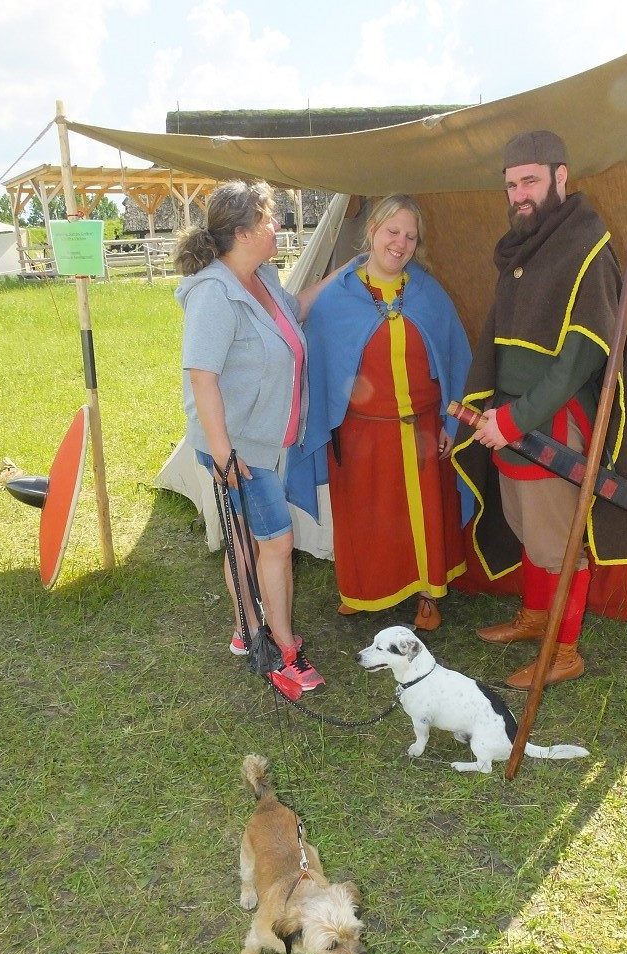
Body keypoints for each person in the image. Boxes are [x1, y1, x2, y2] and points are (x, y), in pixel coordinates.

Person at [452, 130, 627, 688]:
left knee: (558, 541)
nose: (519, 193)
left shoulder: (586, 246)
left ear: (561, 178)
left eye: (531, 180)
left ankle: (564, 650)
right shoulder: (525, 246)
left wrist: (515, 420)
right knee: (525, 526)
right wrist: (499, 413)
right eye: (511, 184)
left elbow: (579, 362)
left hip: (551, 426)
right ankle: (537, 616)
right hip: (509, 421)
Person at [284, 194, 473, 631]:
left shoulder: (428, 292)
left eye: (410, 236)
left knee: (424, 517)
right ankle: (363, 588)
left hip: (421, 430)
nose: (401, 243)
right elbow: (317, 362)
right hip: (359, 435)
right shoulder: (337, 296)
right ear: (371, 231)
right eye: (393, 231)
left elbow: (455, 358)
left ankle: (428, 595)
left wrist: (450, 422)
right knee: (367, 521)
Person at [174, 179, 331, 693]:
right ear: (243, 233)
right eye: (269, 220)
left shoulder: (260, 276)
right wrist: (224, 455)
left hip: (259, 440)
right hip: (236, 447)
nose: (278, 227)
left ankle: (245, 629)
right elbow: (203, 379)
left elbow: (298, 311)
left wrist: (350, 273)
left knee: (243, 540)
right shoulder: (214, 294)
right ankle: (284, 648)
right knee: (276, 543)